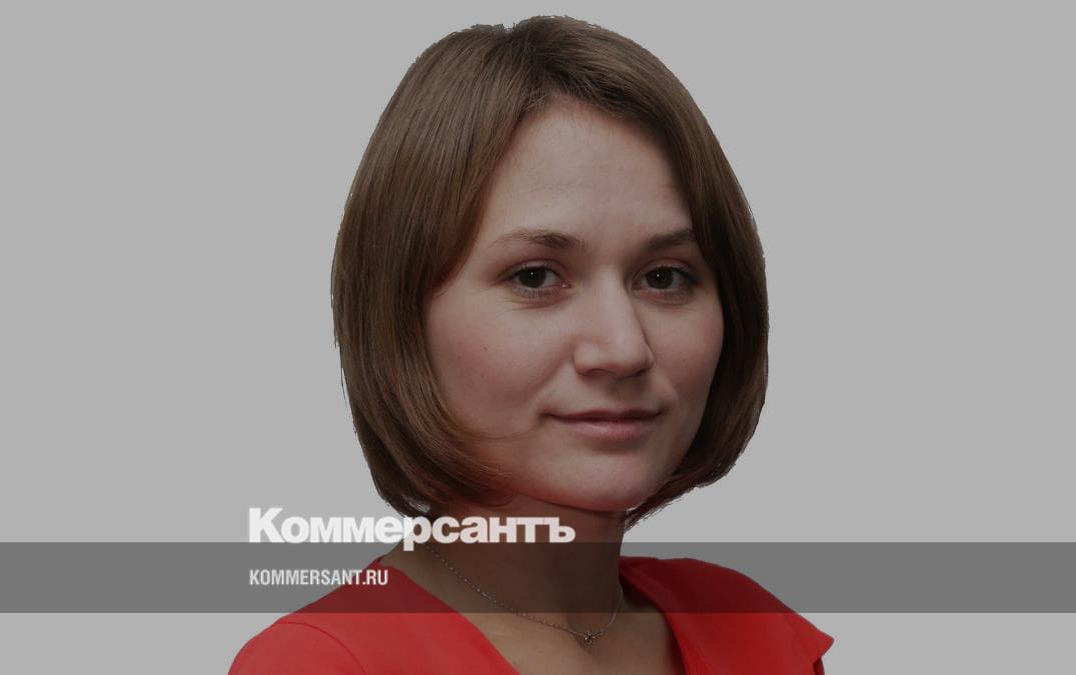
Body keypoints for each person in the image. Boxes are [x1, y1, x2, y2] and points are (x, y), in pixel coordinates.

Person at [231, 15, 832, 674]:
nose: (623, 349)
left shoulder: (751, 630)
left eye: (664, 277)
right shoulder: (324, 664)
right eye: (537, 277)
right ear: (401, 317)